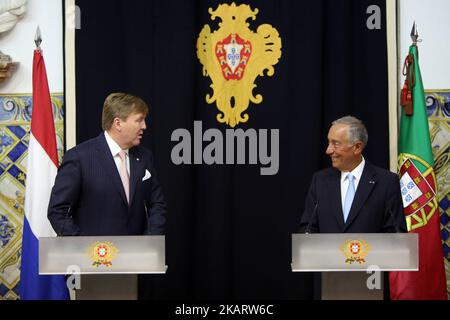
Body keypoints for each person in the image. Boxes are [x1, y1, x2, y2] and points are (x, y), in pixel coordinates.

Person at [48, 92, 166, 236]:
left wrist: (149, 242)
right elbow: (58, 212)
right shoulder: (79, 158)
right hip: (95, 257)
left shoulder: (145, 157)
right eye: (139, 120)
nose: (144, 126)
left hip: (136, 255)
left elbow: (157, 205)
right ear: (118, 123)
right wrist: (85, 248)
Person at [299, 116, 406, 233]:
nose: (328, 150)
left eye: (335, 144)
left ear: (357, 147)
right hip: (328, 251)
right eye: (329, 142)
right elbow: (308, 229)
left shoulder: (386, 182)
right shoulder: (320, 181)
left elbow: (396, 234)